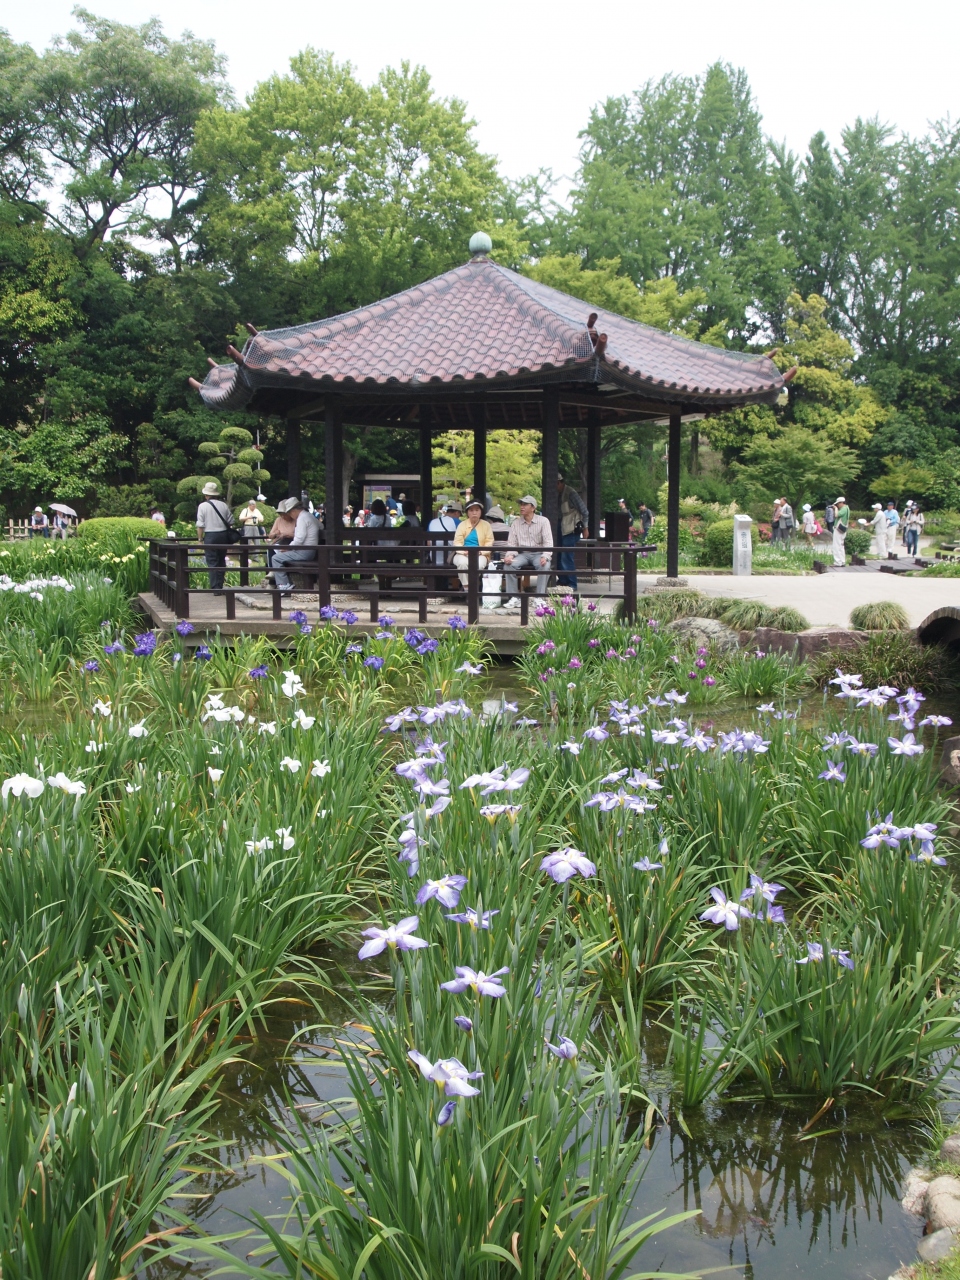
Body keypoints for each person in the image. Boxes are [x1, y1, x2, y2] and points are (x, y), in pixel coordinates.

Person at [502, 495, 553, 608]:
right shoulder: (515, 523)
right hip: (522, 554)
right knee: (508, 565)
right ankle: (514, 597)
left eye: (525, 504)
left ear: (533, 507)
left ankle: (539, 597)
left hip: (539, 553)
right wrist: (510, 556)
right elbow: (512, 544)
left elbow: (548, 542)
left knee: (545, 565)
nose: (521, 507)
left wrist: (545, 556)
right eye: (521, 504)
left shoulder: (543, 521)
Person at [270, 497, 320, 592]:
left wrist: (289, 549)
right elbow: (321, 526)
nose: (289, 515)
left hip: (304, 551)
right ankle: (285, 584)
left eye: (289, 513)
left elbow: (299, 539)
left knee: (276, 558)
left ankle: (284, 585)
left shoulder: (302, 518)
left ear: (293, 511)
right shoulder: (309, 516)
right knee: (280, 556)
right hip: (311, 550)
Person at [195, 481, 236, 594]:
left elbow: (200, 525)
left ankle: (215, 587)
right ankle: (220, 585)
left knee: (212, 561)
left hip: (210, 536)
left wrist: (200, 540)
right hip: (223, 535)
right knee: (221, 560)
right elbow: (231, 521)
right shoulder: (223, 505)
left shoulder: (202, 506)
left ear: (206, 495)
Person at [451, 499, 494, 591]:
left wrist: (480, 552)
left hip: (480, 554)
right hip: (462, 553)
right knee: (463, 563)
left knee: (477, 564)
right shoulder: (462, 525)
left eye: (477, 510)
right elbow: (457, 542)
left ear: (481, 512)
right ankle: (468, 589)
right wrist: (463, 552)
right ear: (467, 513)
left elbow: (489, 543)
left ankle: (469, 588)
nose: (474, 512)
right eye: (471, 510)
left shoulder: (486, 525)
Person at [556, 475, 589, 589]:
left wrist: (585, 527)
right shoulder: (558, 494)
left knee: (566, 556)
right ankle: (563, 580)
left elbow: (584, 511)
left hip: (571, 529)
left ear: (559, 483)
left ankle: (572, 583)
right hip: (561, 528)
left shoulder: (571, 493)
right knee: (559, 554)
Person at [427, 500, 460, 593]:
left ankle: (439, 590)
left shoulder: (432, 522)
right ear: (457, 512)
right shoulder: (457, 522)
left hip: (433, 559)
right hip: (451, 560)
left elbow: (428, 543)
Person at [832, 495, 850, 567]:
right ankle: (842, 561)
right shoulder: (847, 508)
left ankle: (838, 561)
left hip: (838, 528)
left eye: (838, 504)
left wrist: (835, 509)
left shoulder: (844, 508)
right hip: (843, 528)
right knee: (841, 545)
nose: (837, 505)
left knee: (836, 545)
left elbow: (837, 515)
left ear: (841, 503)